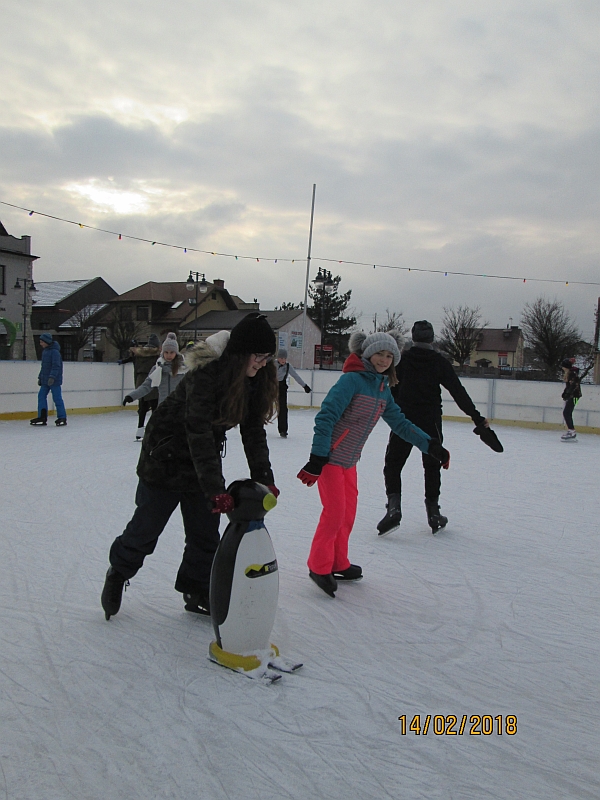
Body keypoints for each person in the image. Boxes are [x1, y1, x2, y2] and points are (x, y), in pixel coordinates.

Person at [101, 313, 279, 620]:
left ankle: (196, 590)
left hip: (203, 459)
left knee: (205, 533)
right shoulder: (207, 374)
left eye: (267, 358)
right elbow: (197, 431)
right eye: (259, 356)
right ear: (241, 353)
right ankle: (118, 572)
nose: (263, 363)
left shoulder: (254, 379)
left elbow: (253, 431)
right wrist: (215, 489)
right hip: (166, 456)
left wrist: (264, 478)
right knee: (147, 528)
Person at [297, 330, 449, 598]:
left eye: (390, 355)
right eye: (380, 353)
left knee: (347, 514)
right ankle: (318, 566)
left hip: (349, 462)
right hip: (330, 458)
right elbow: (326, 417)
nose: (384, 359)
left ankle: (338, 562)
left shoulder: (382, 389)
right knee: (333, 513)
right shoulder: (351, 381)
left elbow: (400, 424)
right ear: (367, 353)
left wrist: (431, 445)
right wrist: (317, 458)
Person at [377, 320, 488, 536]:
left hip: (404, 421)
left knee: (393, 463)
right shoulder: (439, 362)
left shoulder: (403, 360)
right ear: (432, 338)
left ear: (413, 337)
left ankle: (393, 508)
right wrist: (477, 417)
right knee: (432, 465)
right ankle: (434, 512)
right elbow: (458, 392)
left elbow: (388, 387)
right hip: (431, 421)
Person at [122, 333, 187, 417]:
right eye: (166, 352)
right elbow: (146, 386)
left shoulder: (183, 369)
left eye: (172, 352)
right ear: (162, 353)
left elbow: (192, 388)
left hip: (180, 410)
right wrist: (131, 396)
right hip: (163, 408)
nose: (169, 355)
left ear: (176, 353)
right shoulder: (157, 368)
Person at [119, 334, 161, 439]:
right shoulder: (158, 355)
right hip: (153, 381)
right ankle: (154, 430)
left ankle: (139, 431)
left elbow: (134, 365)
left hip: (140, 381)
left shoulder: (139, 354)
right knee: (155, 408)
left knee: (142, 408)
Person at [30, 333, 67, 427]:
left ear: (47, 342)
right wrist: (40, 377)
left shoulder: (55, 352)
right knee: (41, 396)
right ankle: (42, 416)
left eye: (42, 342)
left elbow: (56, 366)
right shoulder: (45, 352)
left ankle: (62, 417)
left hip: (54, 380)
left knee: (57, 398)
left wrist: (52, 377)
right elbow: (44, 367)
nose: (41, 344)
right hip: (45, 380)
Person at [276, 347, 311, 437]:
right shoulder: (272, 364)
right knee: (263, 406)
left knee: (283, 408)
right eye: (281, 358)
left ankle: (283, 430)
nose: (283, 360)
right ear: (278, 358)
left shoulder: (288, 366)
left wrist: (304, 386)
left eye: (285, 358)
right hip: (270, 386)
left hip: (281, 387)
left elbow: (296, 376)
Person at [560, 358, 581, 441]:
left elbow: (573, 385)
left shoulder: (572, 374)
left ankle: (571, 431)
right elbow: (569, 386)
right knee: (567, 412)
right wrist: (565, 393)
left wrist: (568, 393)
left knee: (566, 412)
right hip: (572, 395)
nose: (562, 368)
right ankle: (571, 430)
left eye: (563, 366)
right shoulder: (570, 373)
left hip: (575, 396)